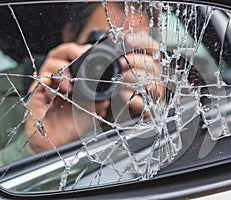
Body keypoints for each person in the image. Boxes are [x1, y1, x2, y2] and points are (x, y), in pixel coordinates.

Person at [0, 1, 164, 165]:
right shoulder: (8, 102)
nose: (110, 64)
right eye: (100, 46)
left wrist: (158, 113)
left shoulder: (166, 98)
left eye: (128, 51)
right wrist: (38, 149)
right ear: (69, 36)